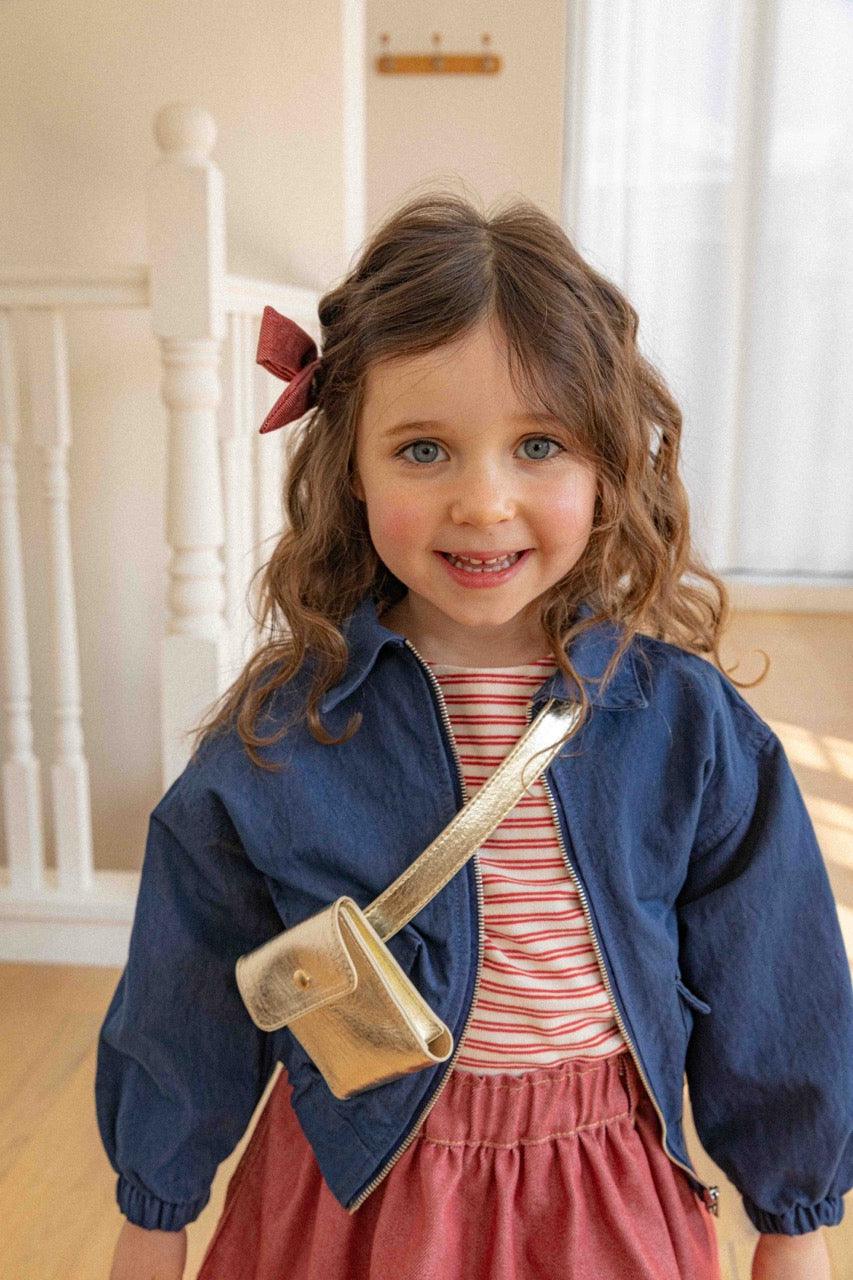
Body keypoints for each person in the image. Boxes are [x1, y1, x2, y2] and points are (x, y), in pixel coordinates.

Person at [98, 193, 853, 1280]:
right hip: (350, 1194)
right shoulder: (281, 731)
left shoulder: (685, 725)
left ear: (607, 463)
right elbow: (187, 988)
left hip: (596, 1196)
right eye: (423, 449)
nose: (484, 501)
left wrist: (793, 1218)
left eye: (538, 444)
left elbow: (771, 976)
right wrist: (155, 1208)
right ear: (350, 469)